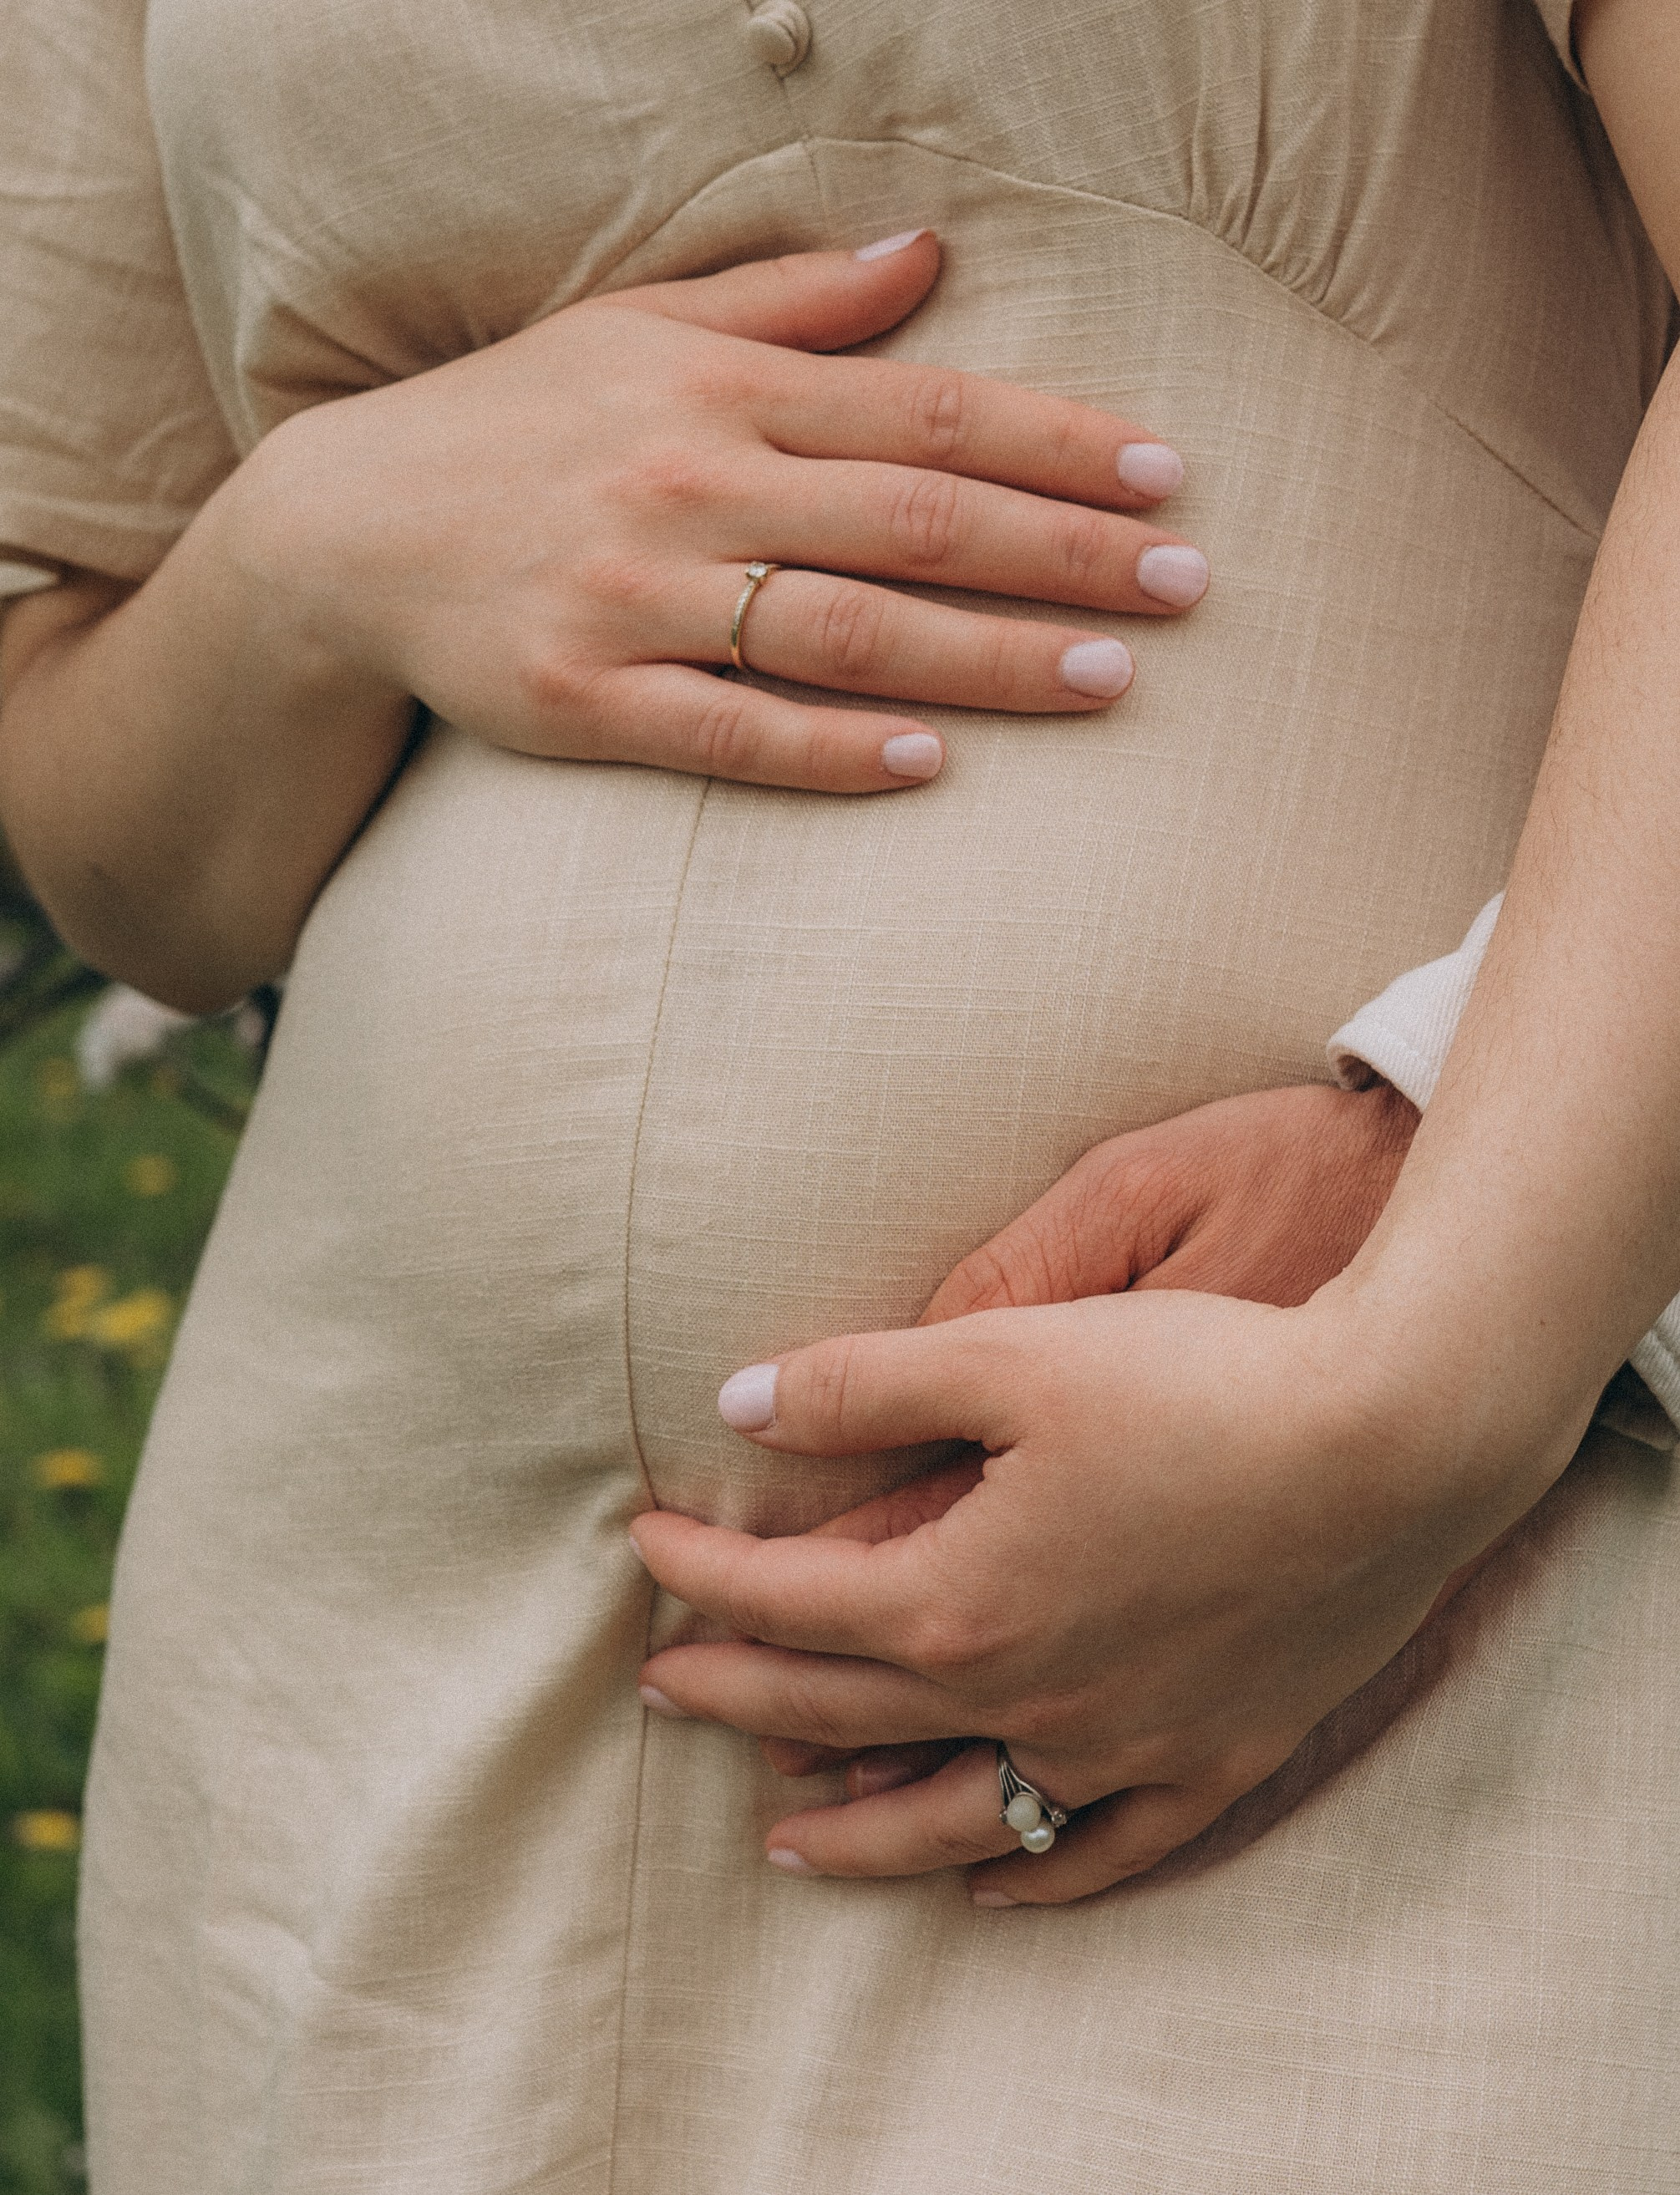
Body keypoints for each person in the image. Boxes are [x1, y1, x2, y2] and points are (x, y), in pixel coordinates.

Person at [1, 0, 1676, 2185]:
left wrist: (1428, 1364)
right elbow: (121, 841)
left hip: (1384, 1640)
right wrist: (309, 547)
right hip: (367, 1688)